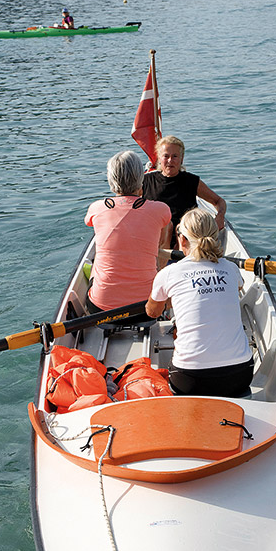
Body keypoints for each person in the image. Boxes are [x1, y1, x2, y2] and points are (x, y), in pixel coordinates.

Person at [145, 208, 254, 398]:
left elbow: (152, 313)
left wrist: (172, 301)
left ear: (183, 240)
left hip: (190, 379)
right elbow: (233, 292)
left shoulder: (168, 274)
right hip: (241, 374)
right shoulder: (230, 268)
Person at [84, 150, 172, 313]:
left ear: (111, 179)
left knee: (98, 256)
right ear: (141, 178)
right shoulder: (161, 210)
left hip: (100, 310)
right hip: (147, 308)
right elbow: (163, 234)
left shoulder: (97, 207)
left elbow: (89, 222)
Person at [142, 135, 227, 247]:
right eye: (166, 156)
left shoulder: (192, 181)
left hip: (186, 239)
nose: (170, 160)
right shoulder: (146, 181)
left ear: (182, 159)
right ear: (159, 158)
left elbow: (219, 201)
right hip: (155, 240)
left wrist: (220, 217)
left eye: (175, 156)